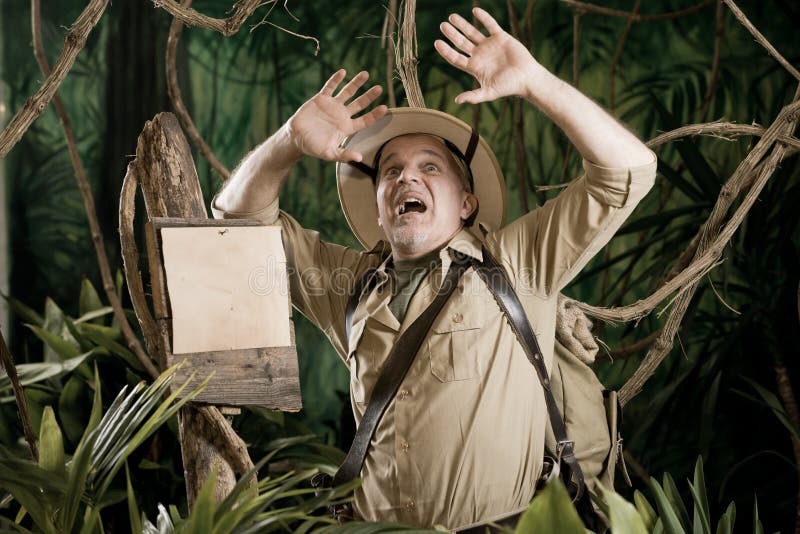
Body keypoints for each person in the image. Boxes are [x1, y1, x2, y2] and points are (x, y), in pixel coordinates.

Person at [212, 7, 656, 530]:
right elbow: (237, 226)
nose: (406, 179)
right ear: (379, 208)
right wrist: (287, 141)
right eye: (391, 171)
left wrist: (535, 83)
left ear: (466, 202)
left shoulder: (517, 263)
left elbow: (627, 173)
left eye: (430, 167)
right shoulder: (349, 288)